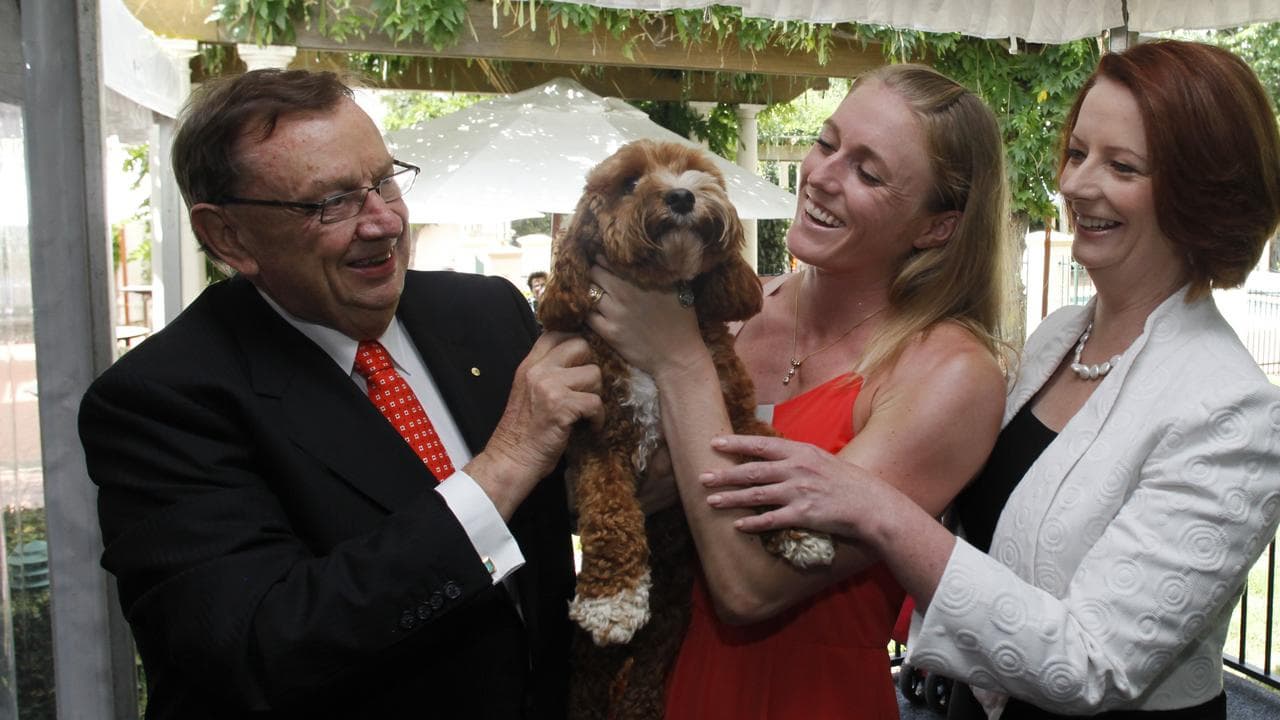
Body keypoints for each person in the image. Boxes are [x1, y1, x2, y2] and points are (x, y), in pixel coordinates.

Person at [702, 40, 1280, 719]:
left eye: (1121, 166)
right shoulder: (1059, 336)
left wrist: (878, 509)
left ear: (1203, 195)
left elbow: (1093, 665)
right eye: (1077, 153)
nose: (1076, 185)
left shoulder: (1235, 411)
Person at [78, 69, 602, 719]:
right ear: (228, 237)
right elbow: (260, 646)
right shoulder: (160, 401)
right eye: (331, 202)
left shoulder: (488, 311)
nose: (384, 222)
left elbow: (579, 500)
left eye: (385, 181)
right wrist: (508, 460)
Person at [585, 64, 1011, 718]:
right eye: (826, 142)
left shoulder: (950, 372)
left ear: (937, 227)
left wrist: (678, 361)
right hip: (652, 685)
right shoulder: (729, 306)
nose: (821, 176)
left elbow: (752, 587)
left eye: (868, 173)